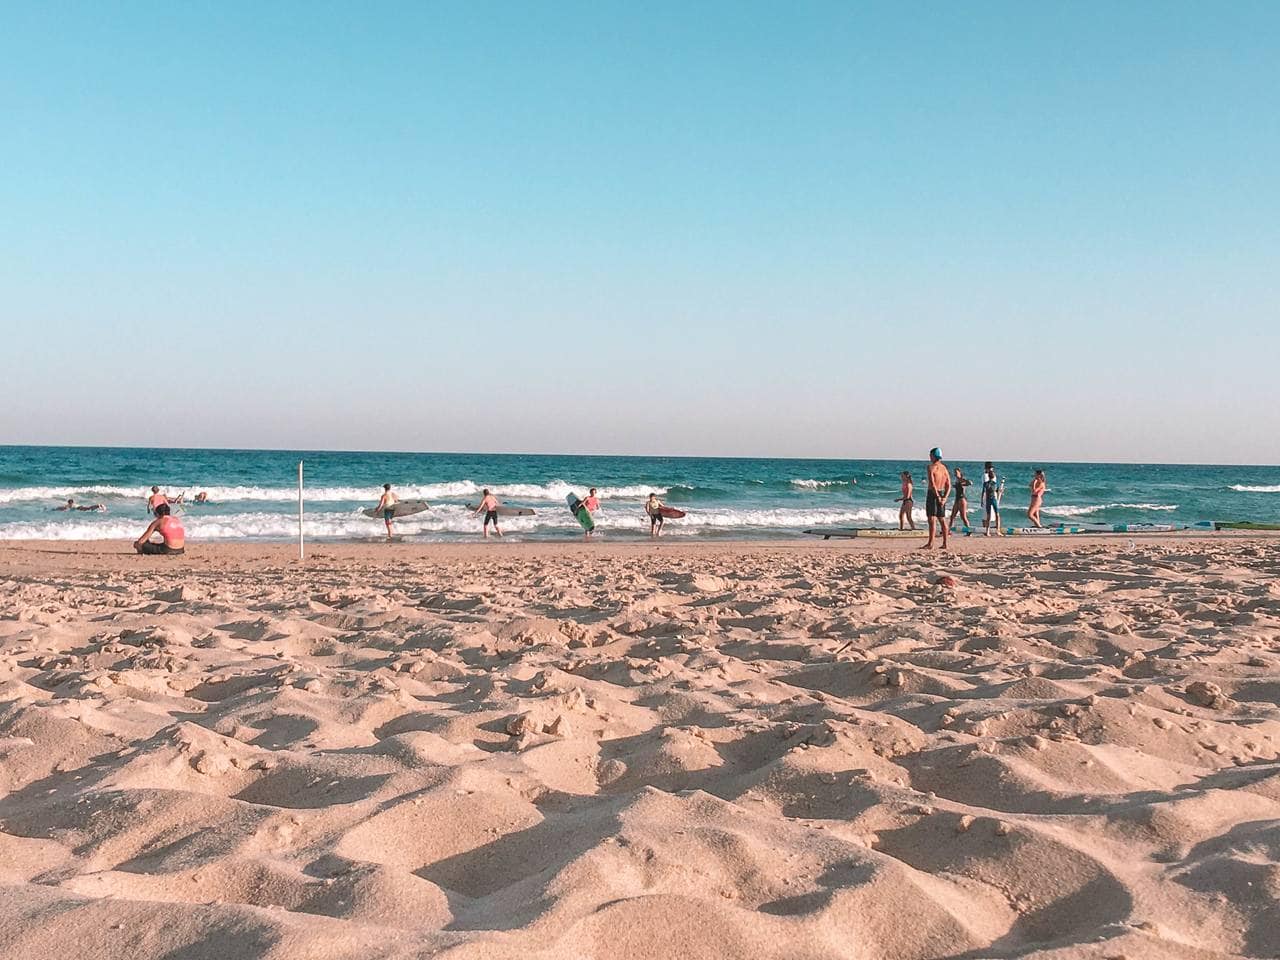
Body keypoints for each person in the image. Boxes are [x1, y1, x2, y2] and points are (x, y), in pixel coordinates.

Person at [924, 448, 951, 550]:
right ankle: (945, 543)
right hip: (941, 493)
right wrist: (944, 497)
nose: (929, 457)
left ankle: (931, 543)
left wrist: (939, 497)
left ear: (934, 456)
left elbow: (932, 483)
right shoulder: (944, 468)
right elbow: (948, 485)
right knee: (942, 519)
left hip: (933, 494)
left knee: (932, 519)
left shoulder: (931, 467)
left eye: (930, 455)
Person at [981, 462, 1005, 537]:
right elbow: (985, 490)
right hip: (989, 498)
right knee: (989, 515)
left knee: (994, 514)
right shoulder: (986, 478)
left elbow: (994, 489)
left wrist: (999, 491)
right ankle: (987, 530)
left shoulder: (993, 482)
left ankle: (993, 530)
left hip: (991, 498)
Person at [948, 467, 972, 532]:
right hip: (957, 499)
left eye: (956, 472)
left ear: (959, 472)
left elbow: (970, 482)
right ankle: (948, 531)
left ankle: (969, 530)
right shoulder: (957, 481)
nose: (955, 473)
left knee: (963, 517)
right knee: (952, 516)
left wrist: (964, 483)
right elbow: (955, 486)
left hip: (962, 499)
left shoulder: (962, 479)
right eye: (954, 472)